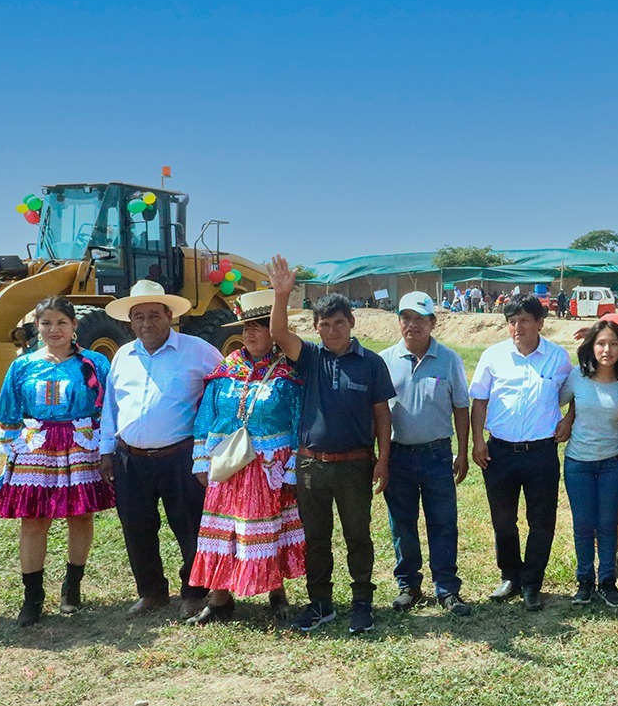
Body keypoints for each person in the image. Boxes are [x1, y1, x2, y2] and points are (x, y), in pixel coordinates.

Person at [269, 256, 396, 634]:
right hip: (311, 466)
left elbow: (382, 415)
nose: (332, 330)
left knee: (358, 536)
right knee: (316, 538)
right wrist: (281, 296)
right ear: (316, 328)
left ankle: (362, 603)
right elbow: (278, 333)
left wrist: (383, 459)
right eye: (324, 324)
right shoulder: (309, 358)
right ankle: (320, 604)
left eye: (339, 322)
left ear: (352, 323)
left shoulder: (371, 363)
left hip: (356, 464)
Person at [98, 281, 223, 619]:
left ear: (170, 316)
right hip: (130, 459)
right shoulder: (123, 356)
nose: (146, 323)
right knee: (136, 527)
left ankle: (194, 593)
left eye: (154, 315)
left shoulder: (198, 350)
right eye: (138, 317)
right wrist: (107, 450)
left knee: (189, 527)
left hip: (180, 456)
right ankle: (151, 592)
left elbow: (226, 387)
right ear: (130, 322)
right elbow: (111, 407)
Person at [186, 291, 305, 624]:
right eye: (246, 327)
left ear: (276, 329)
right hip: (227, 465)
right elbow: (207, 413)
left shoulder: (289, 375)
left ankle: (276, 593)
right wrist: (201, 458)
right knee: (224, 531)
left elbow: (298, 420)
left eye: (260, 326)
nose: (251, 333)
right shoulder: (227, 370)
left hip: (269, 467)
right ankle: (220, 597)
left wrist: (292, 464)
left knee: (270, 530)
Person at [0, 297, 113, 626]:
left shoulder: (95, 363)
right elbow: (8, 411)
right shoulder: (23, 365)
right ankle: (32, 597)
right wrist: (13, 448)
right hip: (37, 448)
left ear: (74, 325)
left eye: (62, 322)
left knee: (81, 516)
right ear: (37, 327)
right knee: (33, 520)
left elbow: (109, 408)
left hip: (80, 446)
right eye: (47, 323)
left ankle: (71, 588)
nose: (54, 329)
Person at [469, 293, 572, 611]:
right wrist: (477, 441)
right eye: (511, 321)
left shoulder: (558, 357)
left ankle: (532, 583)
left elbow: (578, 391)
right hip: (499, 452)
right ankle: (510, 576)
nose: (517, 327)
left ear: (540, 323)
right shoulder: (493, 356)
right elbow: (480, 401)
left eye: (524, 320)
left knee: (541, 521)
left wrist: (569, 418)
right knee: (503, 520)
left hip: (541, 453)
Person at [378, 291, 472, 617]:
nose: (412, 325)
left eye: (420, 319)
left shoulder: (449, 360)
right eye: (406, 318)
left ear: (433, 323)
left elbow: (462, 407)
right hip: (397, 456)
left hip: (436, 455)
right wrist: (381, 459)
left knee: (443, 523)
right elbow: (377, 413)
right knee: (401, 524)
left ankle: (447, 588)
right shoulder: (385, 360)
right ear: (399, 322)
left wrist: (462, 452)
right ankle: (409, 586)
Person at [557, 319, 618, 607]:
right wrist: (566, 419)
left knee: (607, 525)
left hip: (614, 461)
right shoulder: (578, 376)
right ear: (591, 347)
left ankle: (608, 582)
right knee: (583, 525)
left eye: (613, 343)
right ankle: (585, 581)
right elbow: (556, 401)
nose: (607, 349)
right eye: (601, 343)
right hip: (579, 462)